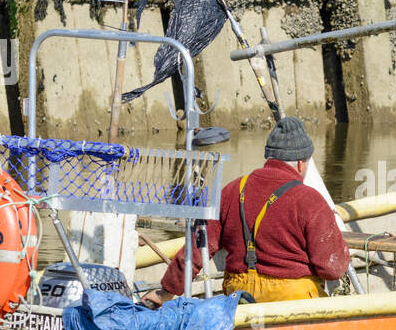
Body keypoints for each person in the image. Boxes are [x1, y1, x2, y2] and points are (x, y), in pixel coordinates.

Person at [145, 117, 351, 305]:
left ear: (269, 157)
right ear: (301, 162)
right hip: (293, 302)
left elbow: (199, 247)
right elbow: (332, 268)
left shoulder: (233, 190)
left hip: (239, 299)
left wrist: (166, 292)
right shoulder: (310, 199)